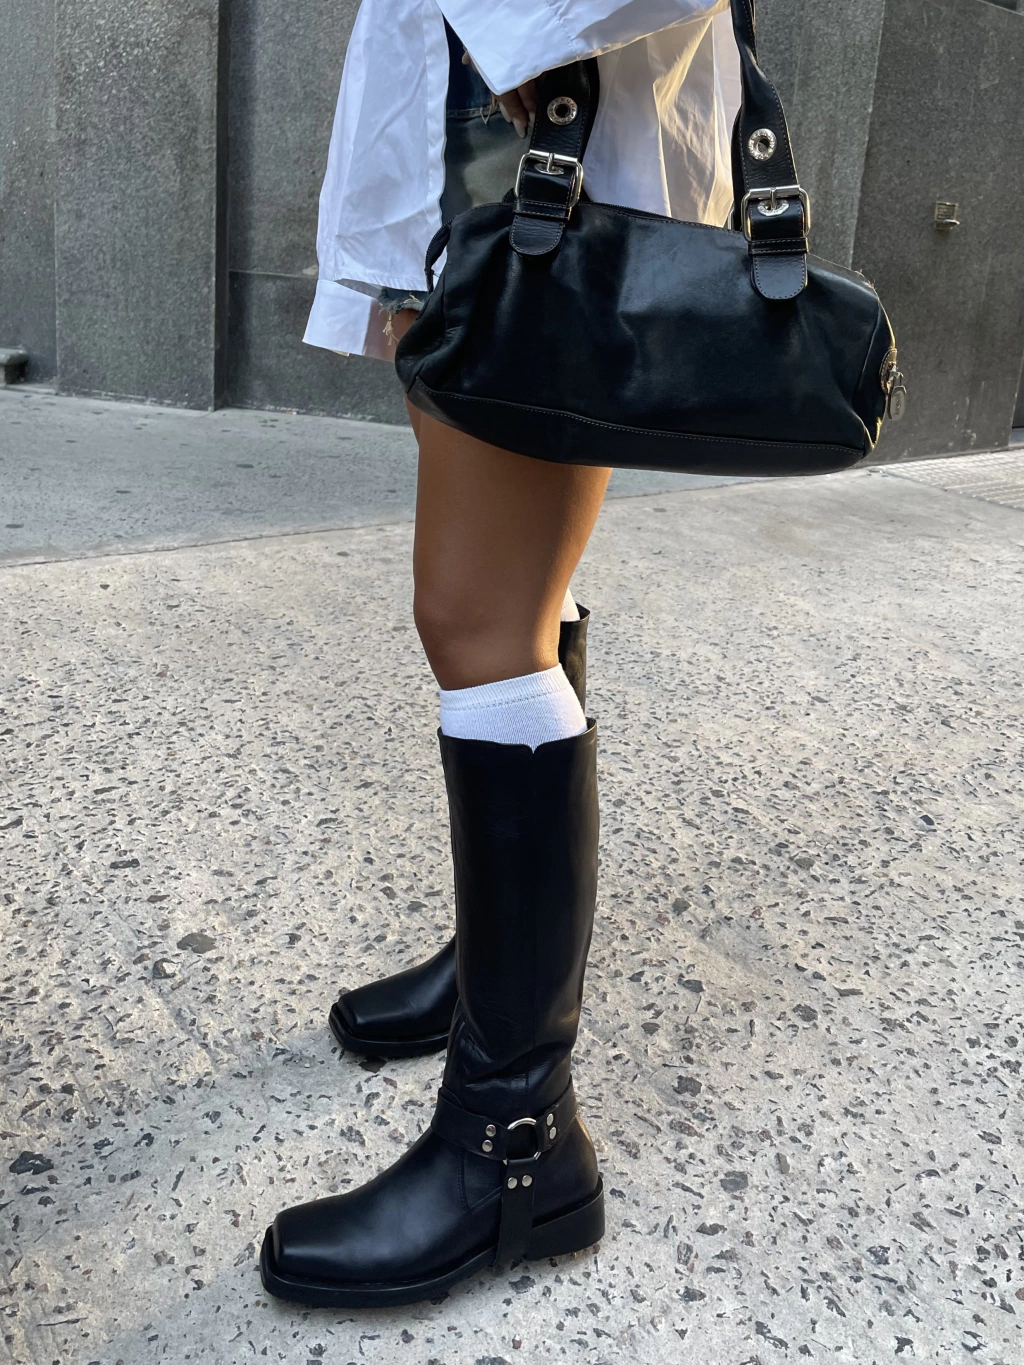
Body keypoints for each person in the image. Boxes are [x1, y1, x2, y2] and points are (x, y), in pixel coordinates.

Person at [260, 0, 740, 1308]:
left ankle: (514, 1148)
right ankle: (496, 978)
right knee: (515, 595)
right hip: (485, 119)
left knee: (478, 623)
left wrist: (525, 33)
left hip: (540, 119)